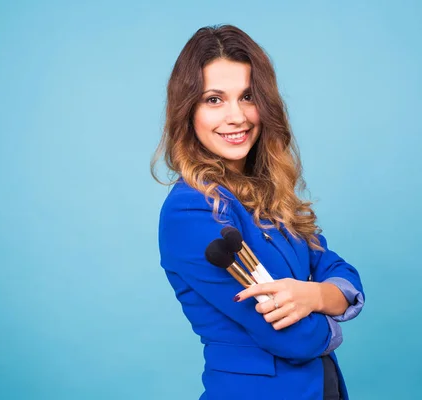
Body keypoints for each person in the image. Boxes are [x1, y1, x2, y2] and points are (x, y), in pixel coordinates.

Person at [151, 24, 365, 400]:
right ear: (188, 111)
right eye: (214, 99)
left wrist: (313, 297)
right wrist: (334, 315)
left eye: (247, 96)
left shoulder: (271, 194)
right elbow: (295, 339)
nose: (237, 116)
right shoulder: (192, 211)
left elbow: (340, 271)